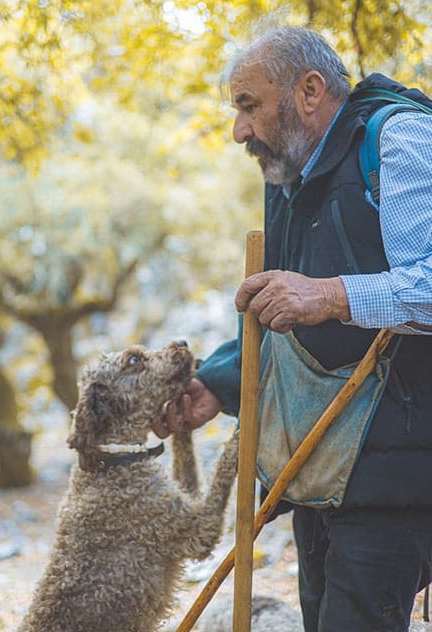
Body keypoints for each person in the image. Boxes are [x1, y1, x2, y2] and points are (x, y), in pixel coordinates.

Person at [152, 25, 432, 632]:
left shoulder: (398, 140)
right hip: (318, 468)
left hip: (397, 474)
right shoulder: (289, 176)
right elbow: (286, 312)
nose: (239, 131)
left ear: (309, 91)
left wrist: (331, 296)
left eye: (249, 106)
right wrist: (219, 383)